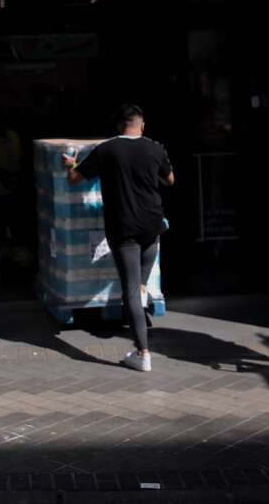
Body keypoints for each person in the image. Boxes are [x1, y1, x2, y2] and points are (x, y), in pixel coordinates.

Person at [63, 104, 174, 372]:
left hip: (124, 229)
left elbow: (74, 178)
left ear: (118, 125)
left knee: (131, 290)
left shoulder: (106, 150)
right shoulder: (155, 148)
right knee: (140, 285)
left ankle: (143, 353)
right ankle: (142, 302)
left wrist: (70, 164)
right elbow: (170, 179)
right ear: (142, 124)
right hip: (152, 226)